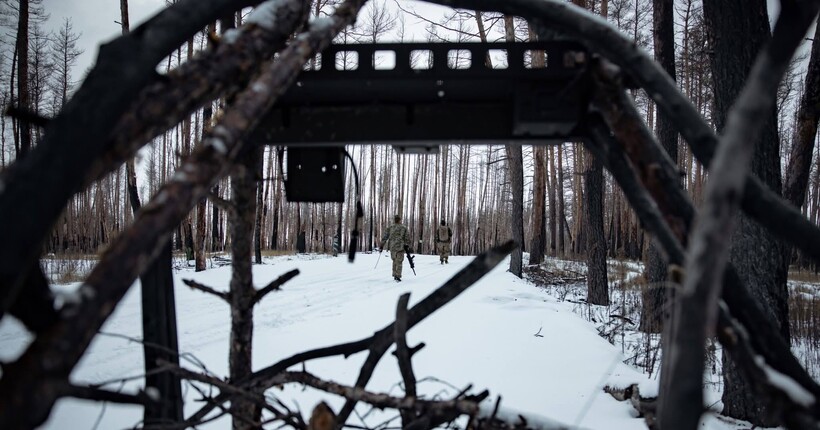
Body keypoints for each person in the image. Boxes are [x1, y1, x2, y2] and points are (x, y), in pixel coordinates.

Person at [380, 214, 410, 282]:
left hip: (392, 247)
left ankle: (394, 274)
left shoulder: (390, 228)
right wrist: (407, 245)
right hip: (400, 247)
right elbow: (407, 237)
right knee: (399, 261)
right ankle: (398, 275)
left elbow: (385, 237)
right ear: (399, 220)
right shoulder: (404, 228)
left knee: (394, 260)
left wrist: (382, 245)